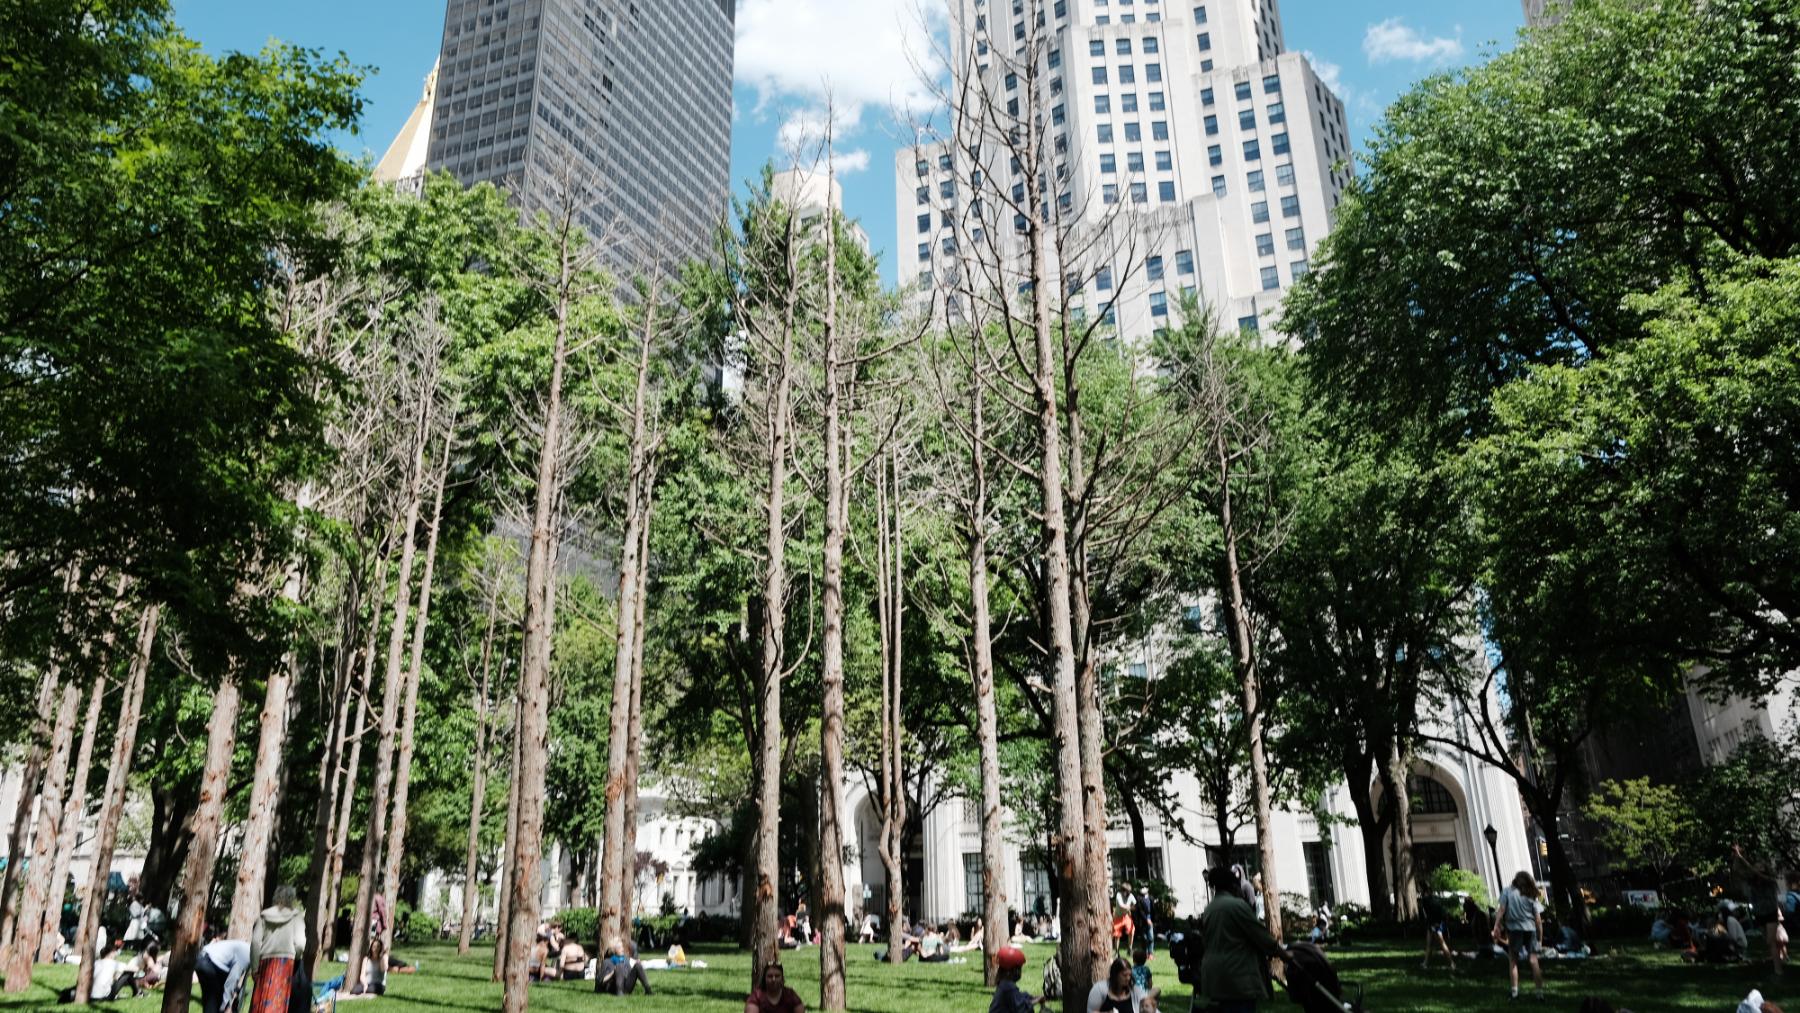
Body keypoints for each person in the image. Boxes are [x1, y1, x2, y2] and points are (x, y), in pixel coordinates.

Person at [1198, 866, 1288, 1013]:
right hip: (1236, 976)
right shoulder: (1237, 906)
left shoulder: (1209, 909)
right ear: (1233, 885)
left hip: (1213, 975)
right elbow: (1260, 935)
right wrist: (1284, 954)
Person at [249, 884, 307, 1012]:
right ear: (292, 898)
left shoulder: (263, 916)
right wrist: (296, 956)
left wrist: (254, 968)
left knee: (262, 999)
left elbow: (255, 943)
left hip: (266, 963)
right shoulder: (296, 917)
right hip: (286, 963)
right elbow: (300, 943)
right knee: (279, 1001)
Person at [1733, 844, 1788, 976]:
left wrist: (1742, 858)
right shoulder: (1752, 880)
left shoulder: (1769, 879)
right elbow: (1738, 871)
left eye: (1760, 866)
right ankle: (1778, 959)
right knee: (1769, 941)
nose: (1758, 868)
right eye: (1757, 865)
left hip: (1770, 911)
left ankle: (1778, 970)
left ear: (1765, 868)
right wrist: (1736, 856)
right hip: (1758, 912)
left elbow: (1753, 870)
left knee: (1771, 941)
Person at [1494, 871, 1544, 1001]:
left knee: (1513, 961)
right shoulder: (1531, 895)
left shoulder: (1507, 892)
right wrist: (1540, 938)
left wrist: (1496, 925)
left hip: (1514, 929)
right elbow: (1538, 920)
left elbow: (1501, 910)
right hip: (1530, 929)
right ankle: (1540, 994)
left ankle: (1515, 993)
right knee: (1534, 961)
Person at [196, 933, 252, 1013]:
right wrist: (226, 1007)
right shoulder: (247, 955)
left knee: (223, 998)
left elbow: (237, 983)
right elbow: (232, 980)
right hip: (207, 960)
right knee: (213, 1001)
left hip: (215, 964)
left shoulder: (249, 952)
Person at [990, 945, 1046, 1013]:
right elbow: (1021, 1008)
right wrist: (1037, 1000)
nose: (1020, 972)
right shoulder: (1008, 987)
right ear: (1009, 972)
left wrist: (1031, 997)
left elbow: (1018, 997)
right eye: (1019, 969)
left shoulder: (1004, 983)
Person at [1420, 892, 1454, 972]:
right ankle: (1425, 963)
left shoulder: (1427, 903)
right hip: (1433, 925)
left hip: (1434, 926)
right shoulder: (1434, 901)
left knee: (1442, 944)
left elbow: (1430, 915)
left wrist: (1434, 925)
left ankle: (1452, 963)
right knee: (1429, 945)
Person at [1134, 885, 1156, 956]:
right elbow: (1140, 911)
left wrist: (1153, 920)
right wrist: (1146, 919)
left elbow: (1153, 910)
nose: (1142, 889)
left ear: (1147, 889)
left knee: (1151, 937)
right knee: (1144, 938)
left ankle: (1151, 953)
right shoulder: (1139, 898)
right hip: (1142, 920)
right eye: (1141, 888)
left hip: (1150, 918)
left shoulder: (1151, 898)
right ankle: (1145, 953)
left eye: (1144, 887)